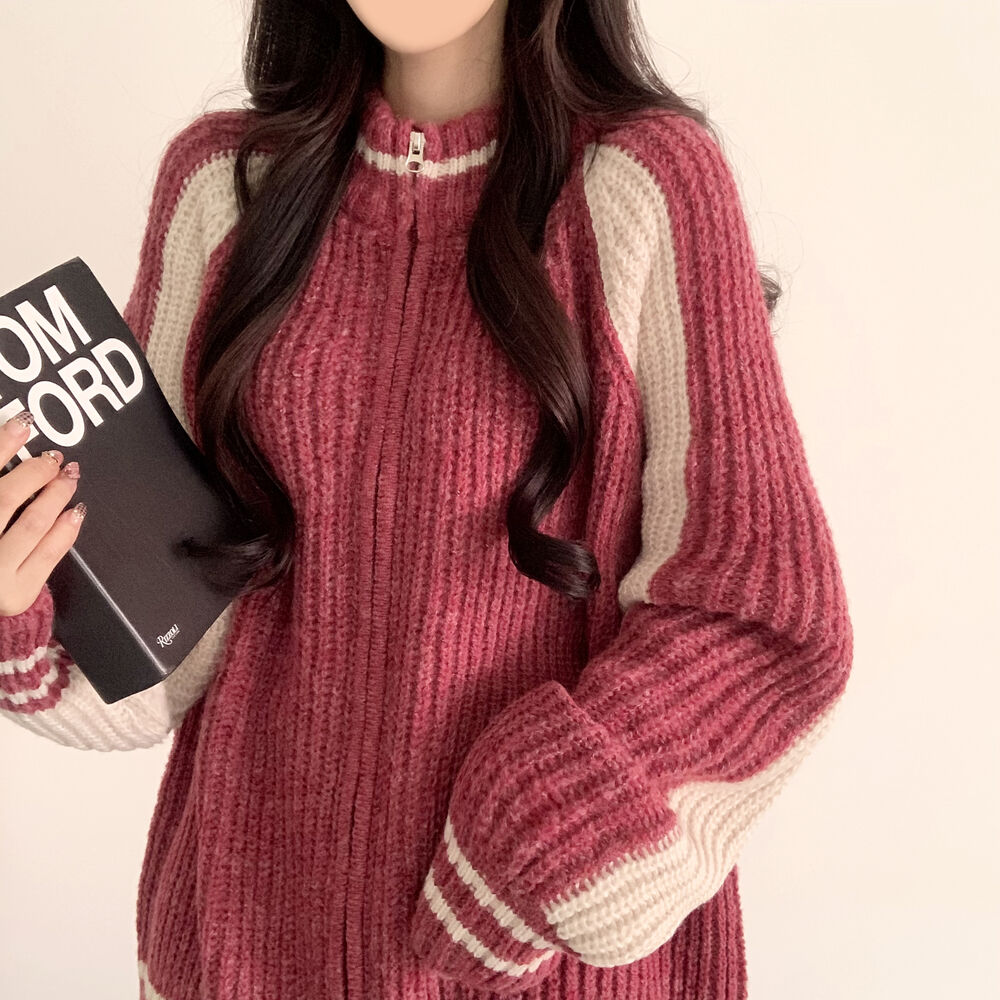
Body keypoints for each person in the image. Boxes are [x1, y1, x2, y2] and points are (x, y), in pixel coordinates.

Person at [0, 1, 854, 998]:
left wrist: (537, 838)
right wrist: (28, 605)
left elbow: (762, 615)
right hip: (234, 958)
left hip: (536, 974)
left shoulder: (643, 189)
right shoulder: (222, 190)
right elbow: (160, 643)